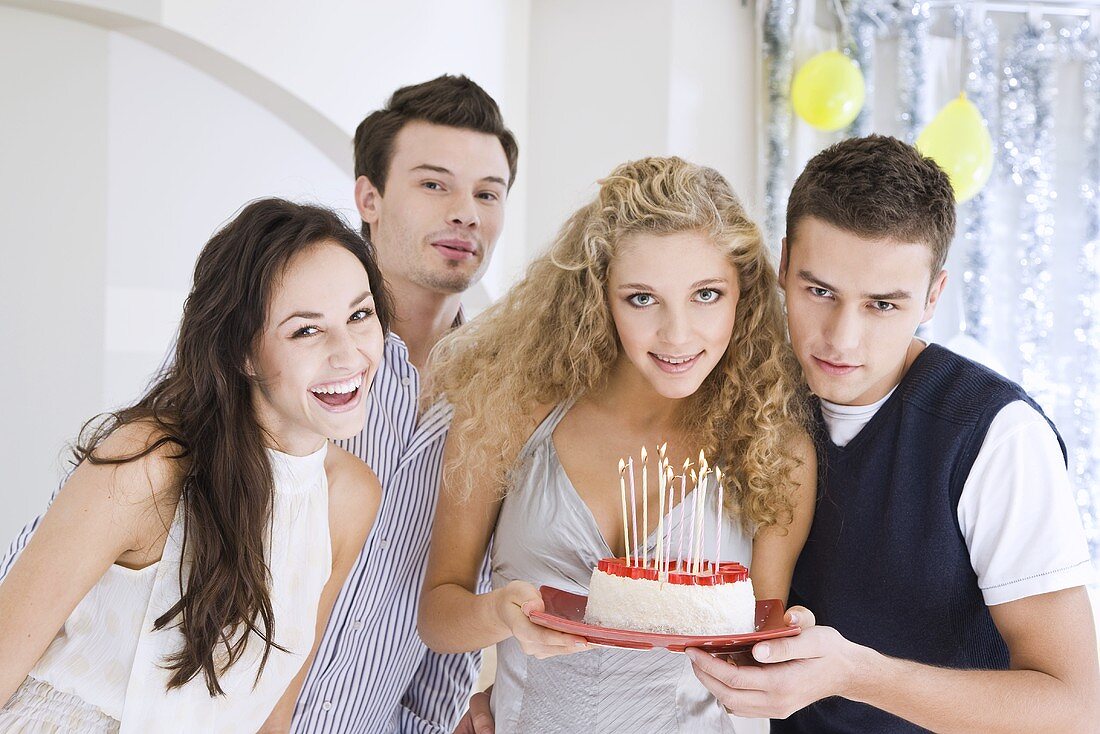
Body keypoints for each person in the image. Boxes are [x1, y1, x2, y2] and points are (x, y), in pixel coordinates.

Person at [686, 134, 1100, 732]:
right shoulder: (740, 388)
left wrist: (855, 673)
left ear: (933, 296)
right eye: (819, 291)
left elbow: (1074, 710)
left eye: (882, 305)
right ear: (782, 265)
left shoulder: (998, 437)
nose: (841, 338)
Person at [418, 156, 816, 733]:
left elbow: (750, 652)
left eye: (706, 295)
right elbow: (438, 613)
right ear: (597, 294)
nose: (677, 334)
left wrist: (785, 649)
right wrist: (498, 614)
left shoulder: (774, 446)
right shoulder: (508, 413)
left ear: (744, 294)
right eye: (641, 298)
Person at [0, 198, 389, 732]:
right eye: (306, 330)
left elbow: (271, 706)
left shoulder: (349, 495)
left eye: (359, 315)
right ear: (242, 354)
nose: (349, 354)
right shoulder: (147, 464)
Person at [285, 75, 518, 734]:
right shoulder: (279, 337)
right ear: (370, 196)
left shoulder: (502, 399)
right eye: (434, 184)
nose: (466, 212)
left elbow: (453, 622)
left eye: (487, 193)